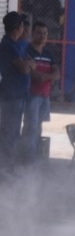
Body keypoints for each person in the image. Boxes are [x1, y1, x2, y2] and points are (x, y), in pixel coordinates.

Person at [0, 11, 35, 174]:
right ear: (18, 27)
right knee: (9, 133)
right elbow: (23, 68)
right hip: (11, 97)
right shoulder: (8, 45)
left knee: (14, 132)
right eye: (22, 25)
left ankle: (8, 166)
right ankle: (6, 168)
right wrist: (27, 65)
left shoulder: (16, 45)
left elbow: (30, 63)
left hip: (18, 96)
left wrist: (28, 64)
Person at [22, 20, 60, 164]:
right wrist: (46, 77)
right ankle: (28, 159)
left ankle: (34, 157)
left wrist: (45, 77)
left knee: (38, 127)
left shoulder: (49, 53)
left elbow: (57, 74)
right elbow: (35, 76)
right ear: (33, 34)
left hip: (45, 96)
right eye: (39, 33)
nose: (42, 36)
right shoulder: (27, 51)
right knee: (30, 127)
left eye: (45, 33)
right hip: (32, 95)